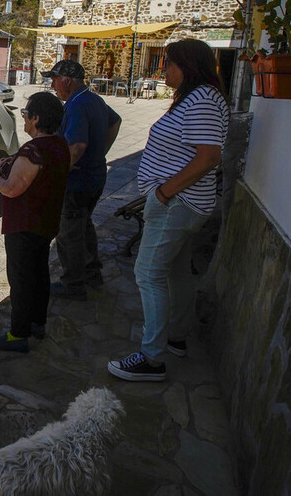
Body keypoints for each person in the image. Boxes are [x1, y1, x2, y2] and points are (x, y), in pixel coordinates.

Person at [108, 39, 229, 382]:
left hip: (177, 204)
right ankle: (174, 337)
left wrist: (162, 193)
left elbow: (208, 157)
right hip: (184, 203)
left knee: (147, 273)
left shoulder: (202, 98)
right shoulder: (198, 97)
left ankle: (152, 358)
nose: (164, 70)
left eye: (169, 63)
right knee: (176, 273)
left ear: (187, 66)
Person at [0, 92, 69, 353]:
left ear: (36, 119)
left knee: (20, 279)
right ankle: (37, 323)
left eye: (26, 114)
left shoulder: (33, 150)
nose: (23, 118)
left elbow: (12, 188)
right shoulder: (60, 145)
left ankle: (18, 334)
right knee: (39, 274)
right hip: (45, 223)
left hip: (24, 225)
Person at [47, 60, 122, 300]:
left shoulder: (77, 105)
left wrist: (61, 171)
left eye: (54, 79)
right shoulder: (93, 99)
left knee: (69, 234)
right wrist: (100, 153)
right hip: (95, 177)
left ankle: (73, 285)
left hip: (78, 183)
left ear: (67, 80)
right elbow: (115, 122)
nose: (52, 85)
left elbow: (77, 145)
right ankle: (92, 273)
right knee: (84, 226)